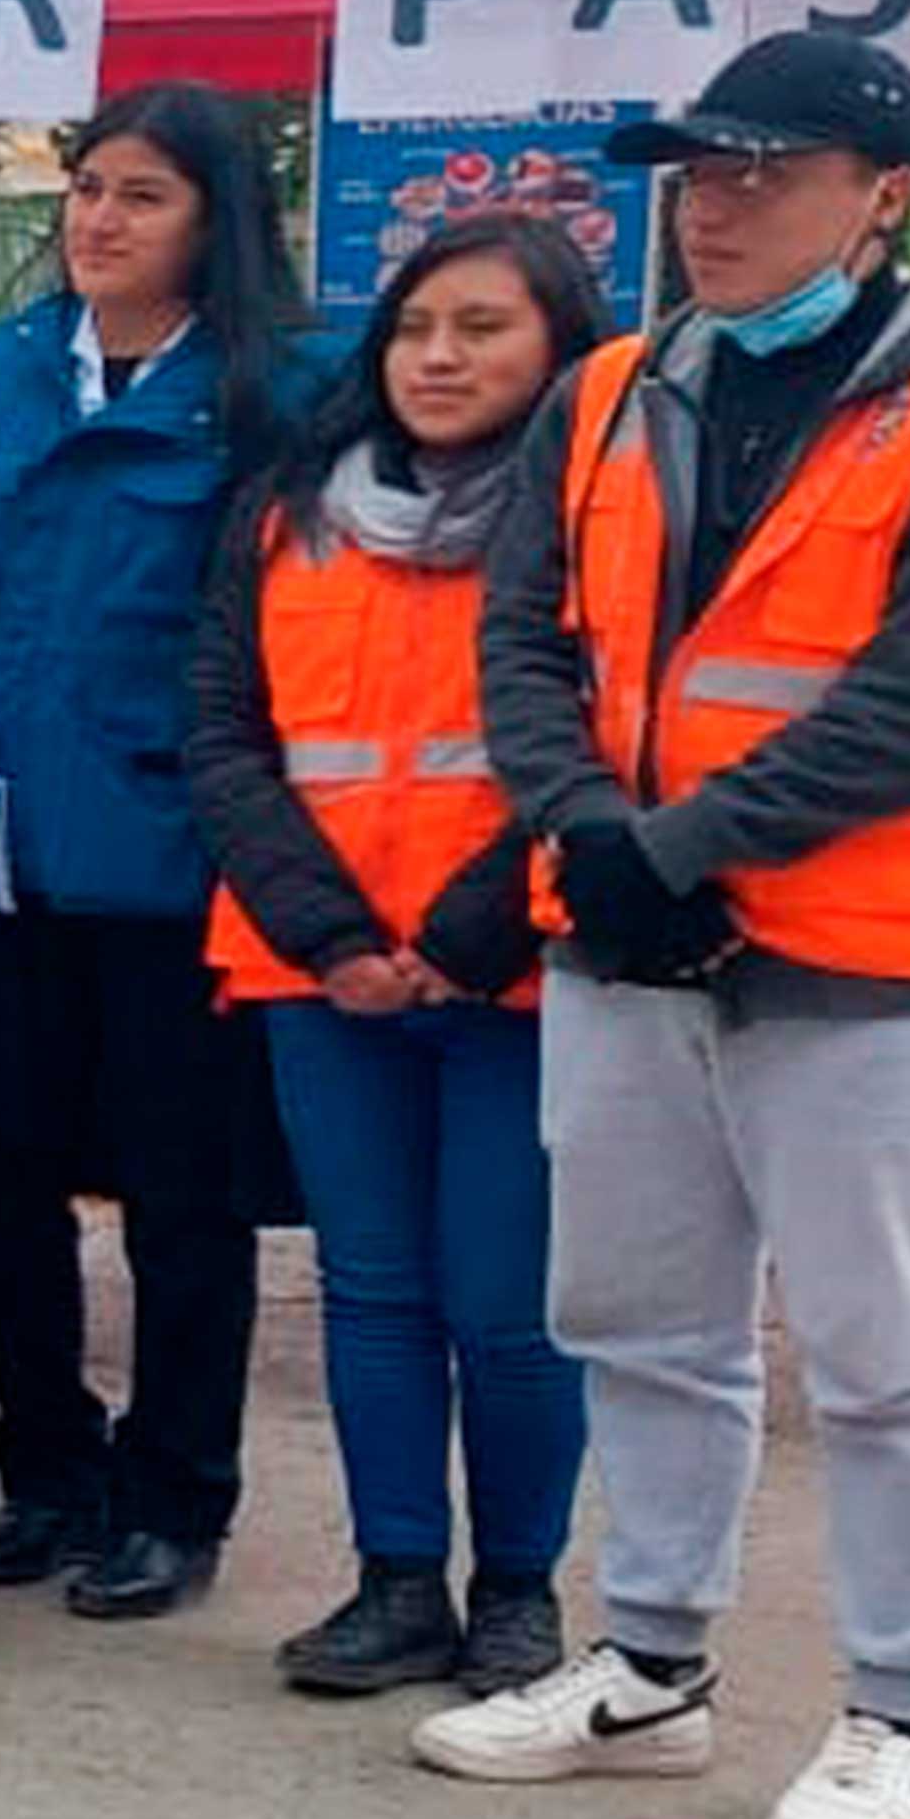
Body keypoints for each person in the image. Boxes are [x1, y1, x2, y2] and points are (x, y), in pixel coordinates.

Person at [420, 34, 910, 1819]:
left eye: (763, 171)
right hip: (632, 943)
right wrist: (589, 840)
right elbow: (525, 643)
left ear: (883, 195)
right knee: (645, 1331)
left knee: (887, 1364)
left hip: (862, 957)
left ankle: (904, 1719)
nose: (711, 204)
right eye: (695, 171)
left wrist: (674, 853)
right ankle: (651, 1666)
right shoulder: (610, 391)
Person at [185, 212, 606, 1700]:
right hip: (324, 974)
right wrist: (339, 937)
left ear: (563, 345)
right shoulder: (285, 513)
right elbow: (228, 740)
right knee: (371, 1292)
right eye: (418, 325)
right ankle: (395, 1582)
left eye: (482, 327)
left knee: (505, 1300)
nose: (439, 356)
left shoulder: (607, 517)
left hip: (517, 972)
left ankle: (517, 1595)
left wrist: (461, 936)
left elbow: (614, 740)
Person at [0, 85, 301, 1620]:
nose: (98, 219)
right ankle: (46, 1466)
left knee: (178, 1197)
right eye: (85, 188)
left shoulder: (274, 388)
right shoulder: (7, 370)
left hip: (170, 857)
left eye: (142, 195)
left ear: (214, 220)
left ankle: (175, 1492)